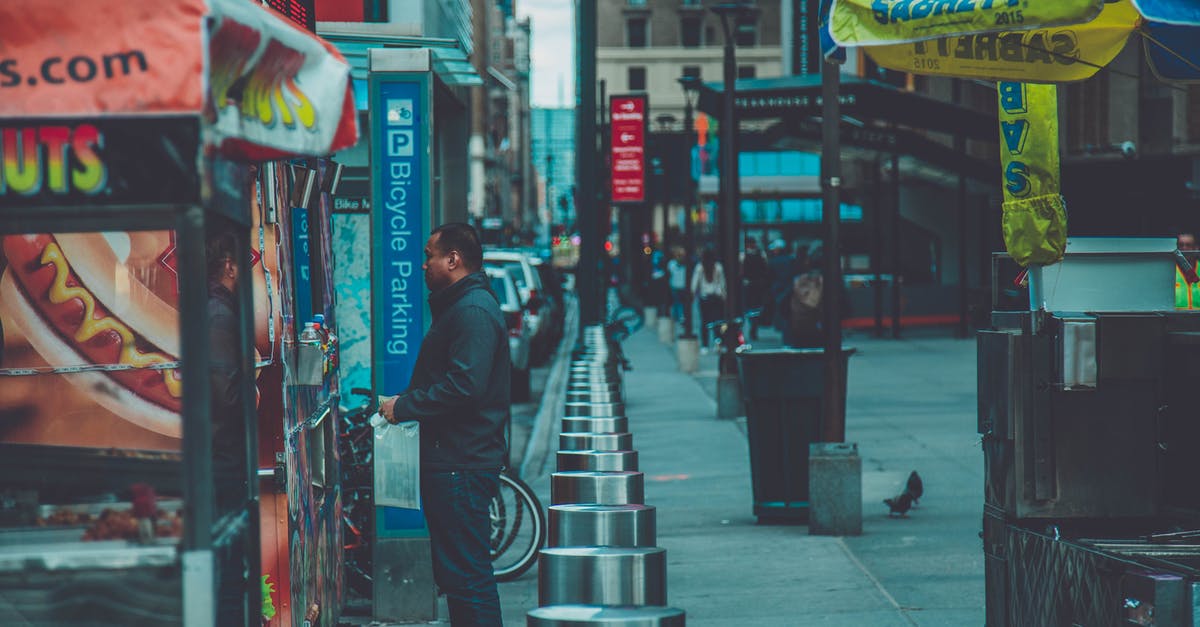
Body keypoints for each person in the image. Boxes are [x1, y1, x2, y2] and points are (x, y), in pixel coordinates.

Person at [380, 222, 508, 626]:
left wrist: (405, 407)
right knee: (461, 576)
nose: (423, 266)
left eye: (428, 255)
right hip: (457, 460)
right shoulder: (464, 307)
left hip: (461, 463)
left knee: (468, 578)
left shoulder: (471, 311)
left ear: (453, 260)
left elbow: (464, 386)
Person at [691, 247, 726, 351]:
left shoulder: (700, 267)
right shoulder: (718, 267)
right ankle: (718, 342)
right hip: (716, 297)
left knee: (704, 322)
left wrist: (692, 295)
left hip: (704, 297)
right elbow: (722, 283)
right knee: (717, 322)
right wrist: (724, 296)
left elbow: (694, 283)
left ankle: (705, 345)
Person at [740, 237, 769, 340]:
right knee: (755, 308)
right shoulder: (761, 255)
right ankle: (753, 328)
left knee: (750, 308)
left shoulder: (744, 255)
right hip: (756, 285)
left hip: (750, 284)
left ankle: (752, 328)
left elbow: (741, 270)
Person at [667, 247, 689, 324]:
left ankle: (681, 317)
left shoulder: (685, 264)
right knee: (676, 303)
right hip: (675, 286)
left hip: (682, 286)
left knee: (682, 303)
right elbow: (669, 274)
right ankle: (677, 317)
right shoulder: (671, 264)